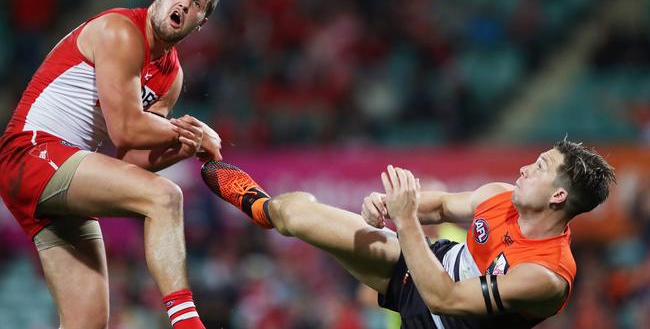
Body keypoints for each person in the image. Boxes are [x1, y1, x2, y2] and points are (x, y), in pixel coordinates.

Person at [0, 0, 223, 328]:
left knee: (87, 323)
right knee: (166, 197)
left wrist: (185, 145)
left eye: (198, 2)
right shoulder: (120, 31)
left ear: (201, 22)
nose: (185, 2)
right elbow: (124, 130)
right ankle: (187, 323)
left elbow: (131, 161)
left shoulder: (171, 76)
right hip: (31, 154)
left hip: (62, 171)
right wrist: (191, 133)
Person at [201, 140, 616, 328]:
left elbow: (445, 299)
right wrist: (385, 204)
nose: (526, 168)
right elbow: (434, 205)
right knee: (292, 214)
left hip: (442, 316)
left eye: (540, 167)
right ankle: (258, 205)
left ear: (559, 195)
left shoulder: (547, 276)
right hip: (424, 263)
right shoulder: (500, 195)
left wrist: (405, 222)